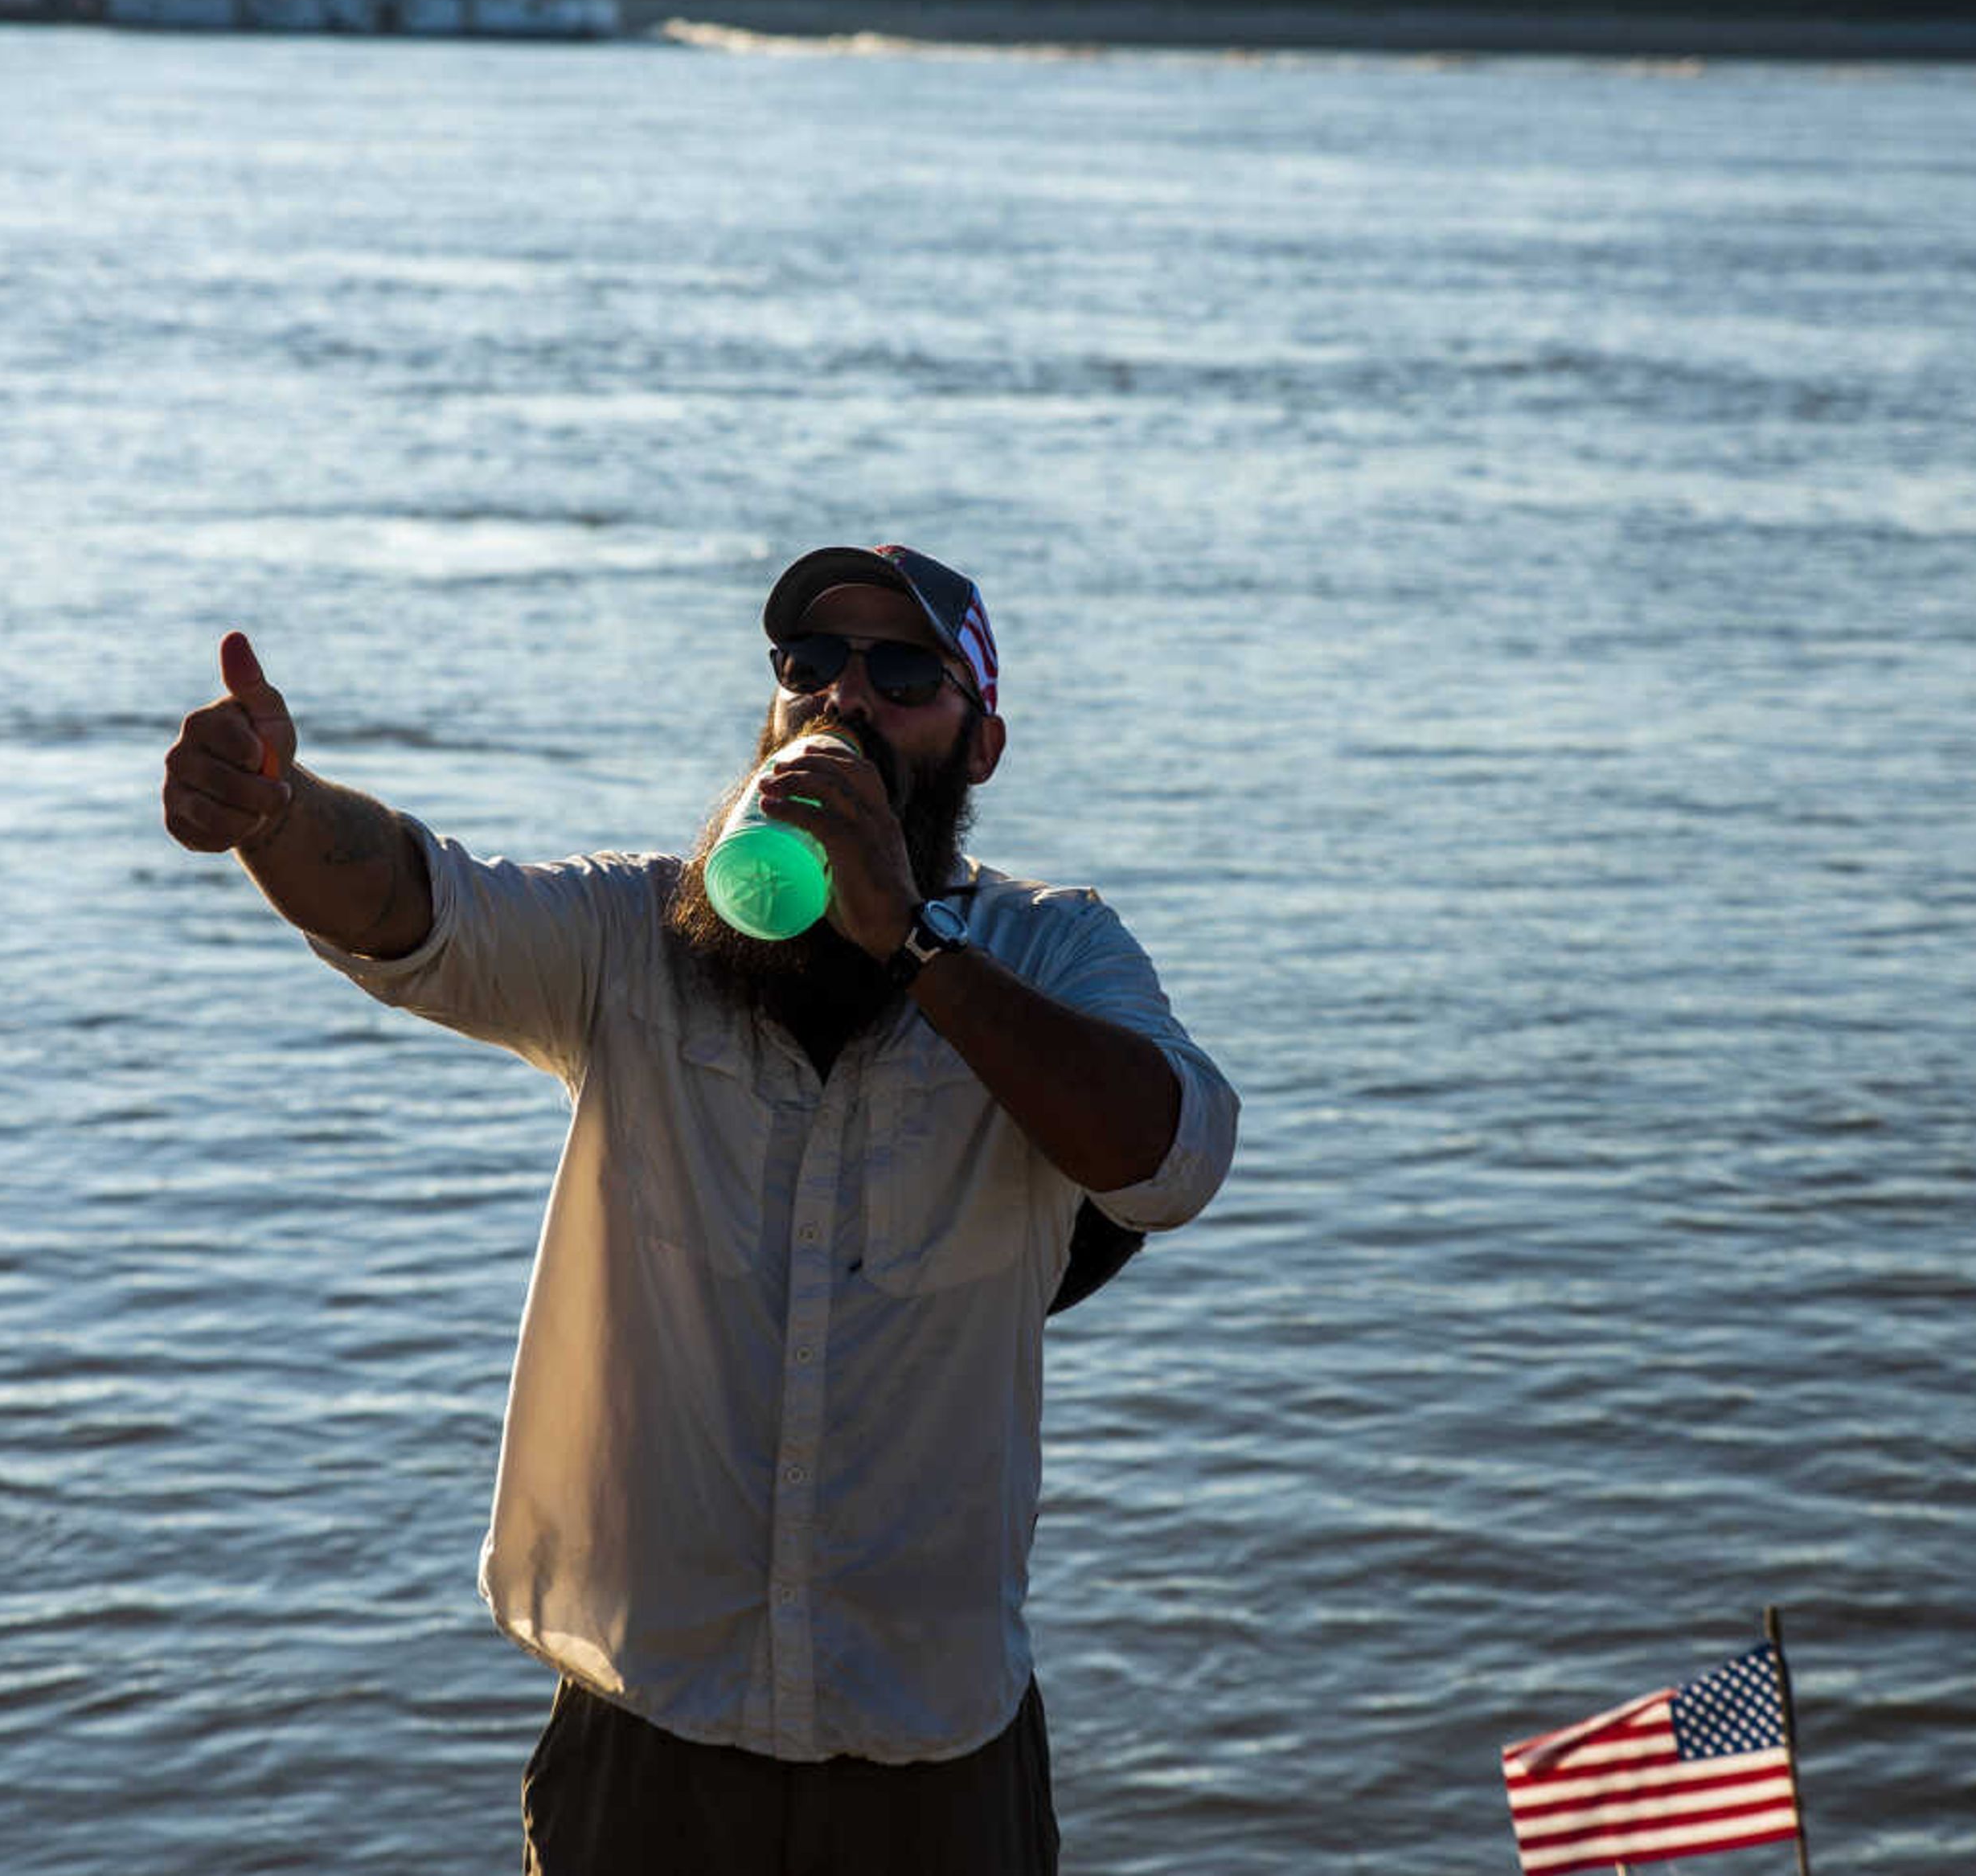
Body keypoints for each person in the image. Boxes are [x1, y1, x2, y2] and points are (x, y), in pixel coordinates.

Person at [161, 544, 1239, 1874]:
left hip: (931, 1765)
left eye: (902, 673)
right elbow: (409, 902)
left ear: (982, 744)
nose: (843, 699)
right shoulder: (635, 938)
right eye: (808, 667)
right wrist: (273, 814)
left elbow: (1173, 1157)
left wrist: (907, 938)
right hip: (644, 1747)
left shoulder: (1056, 951)